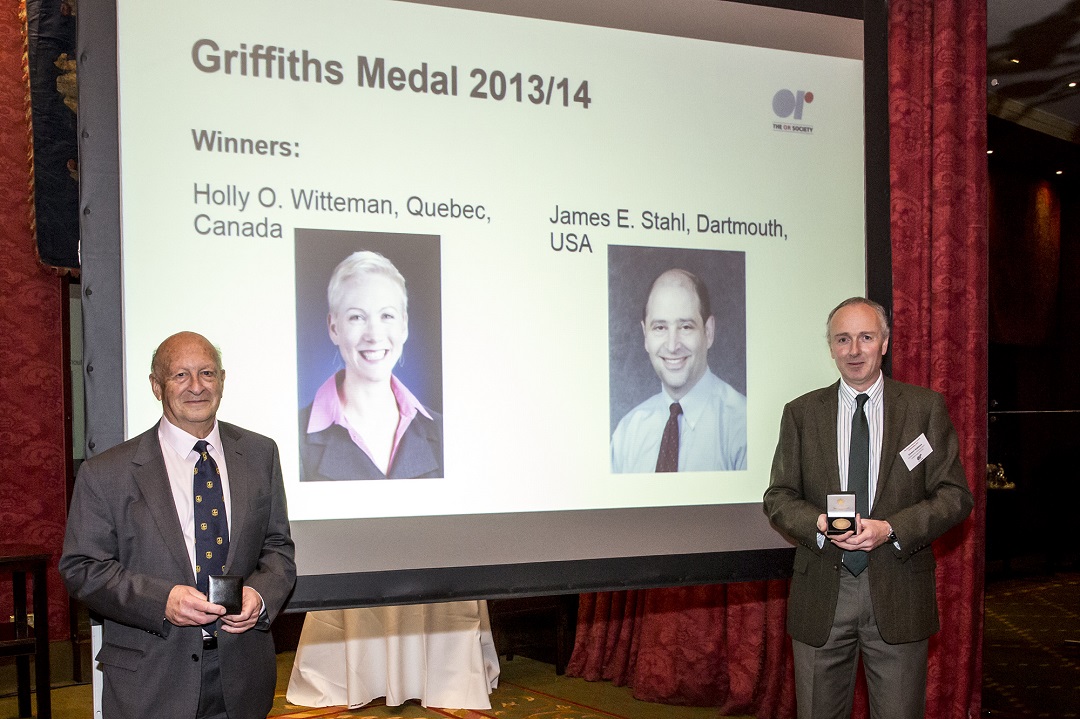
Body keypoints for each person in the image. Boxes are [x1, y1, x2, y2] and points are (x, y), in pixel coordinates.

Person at [59, 331, 296, 719]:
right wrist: (162, 601)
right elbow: (82, 568)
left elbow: (278, 548)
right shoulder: (106, 472)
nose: (197, 387)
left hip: (243, 674)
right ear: (156, 386)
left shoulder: (260, 453)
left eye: (206, 373)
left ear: (222, 379)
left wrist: (261, 595)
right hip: (150, 679)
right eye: (180, 376)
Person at [763, 297, 973, 719]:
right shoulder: (802, 413)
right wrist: (819, 523)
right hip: (823, 591)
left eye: (865, 337)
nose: (854, 350)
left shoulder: (923, 409)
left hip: (897, 592)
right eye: (843, 339)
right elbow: (779, 497)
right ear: (831, 347)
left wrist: (890, 529)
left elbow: (955, 496)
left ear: (885, 343)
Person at [299, 250, 443, 480]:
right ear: (334, 328)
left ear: (403, 325)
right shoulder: (294, 438)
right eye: (357, 317)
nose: (374, 335)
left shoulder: (443, 431)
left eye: (386, 316)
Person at [611, 267, 747, 472]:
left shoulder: (742, 426)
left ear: (708, 332)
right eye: (660, 327)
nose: (673, 346)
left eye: (685, 327)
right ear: (645, 335)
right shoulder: (627, 433)